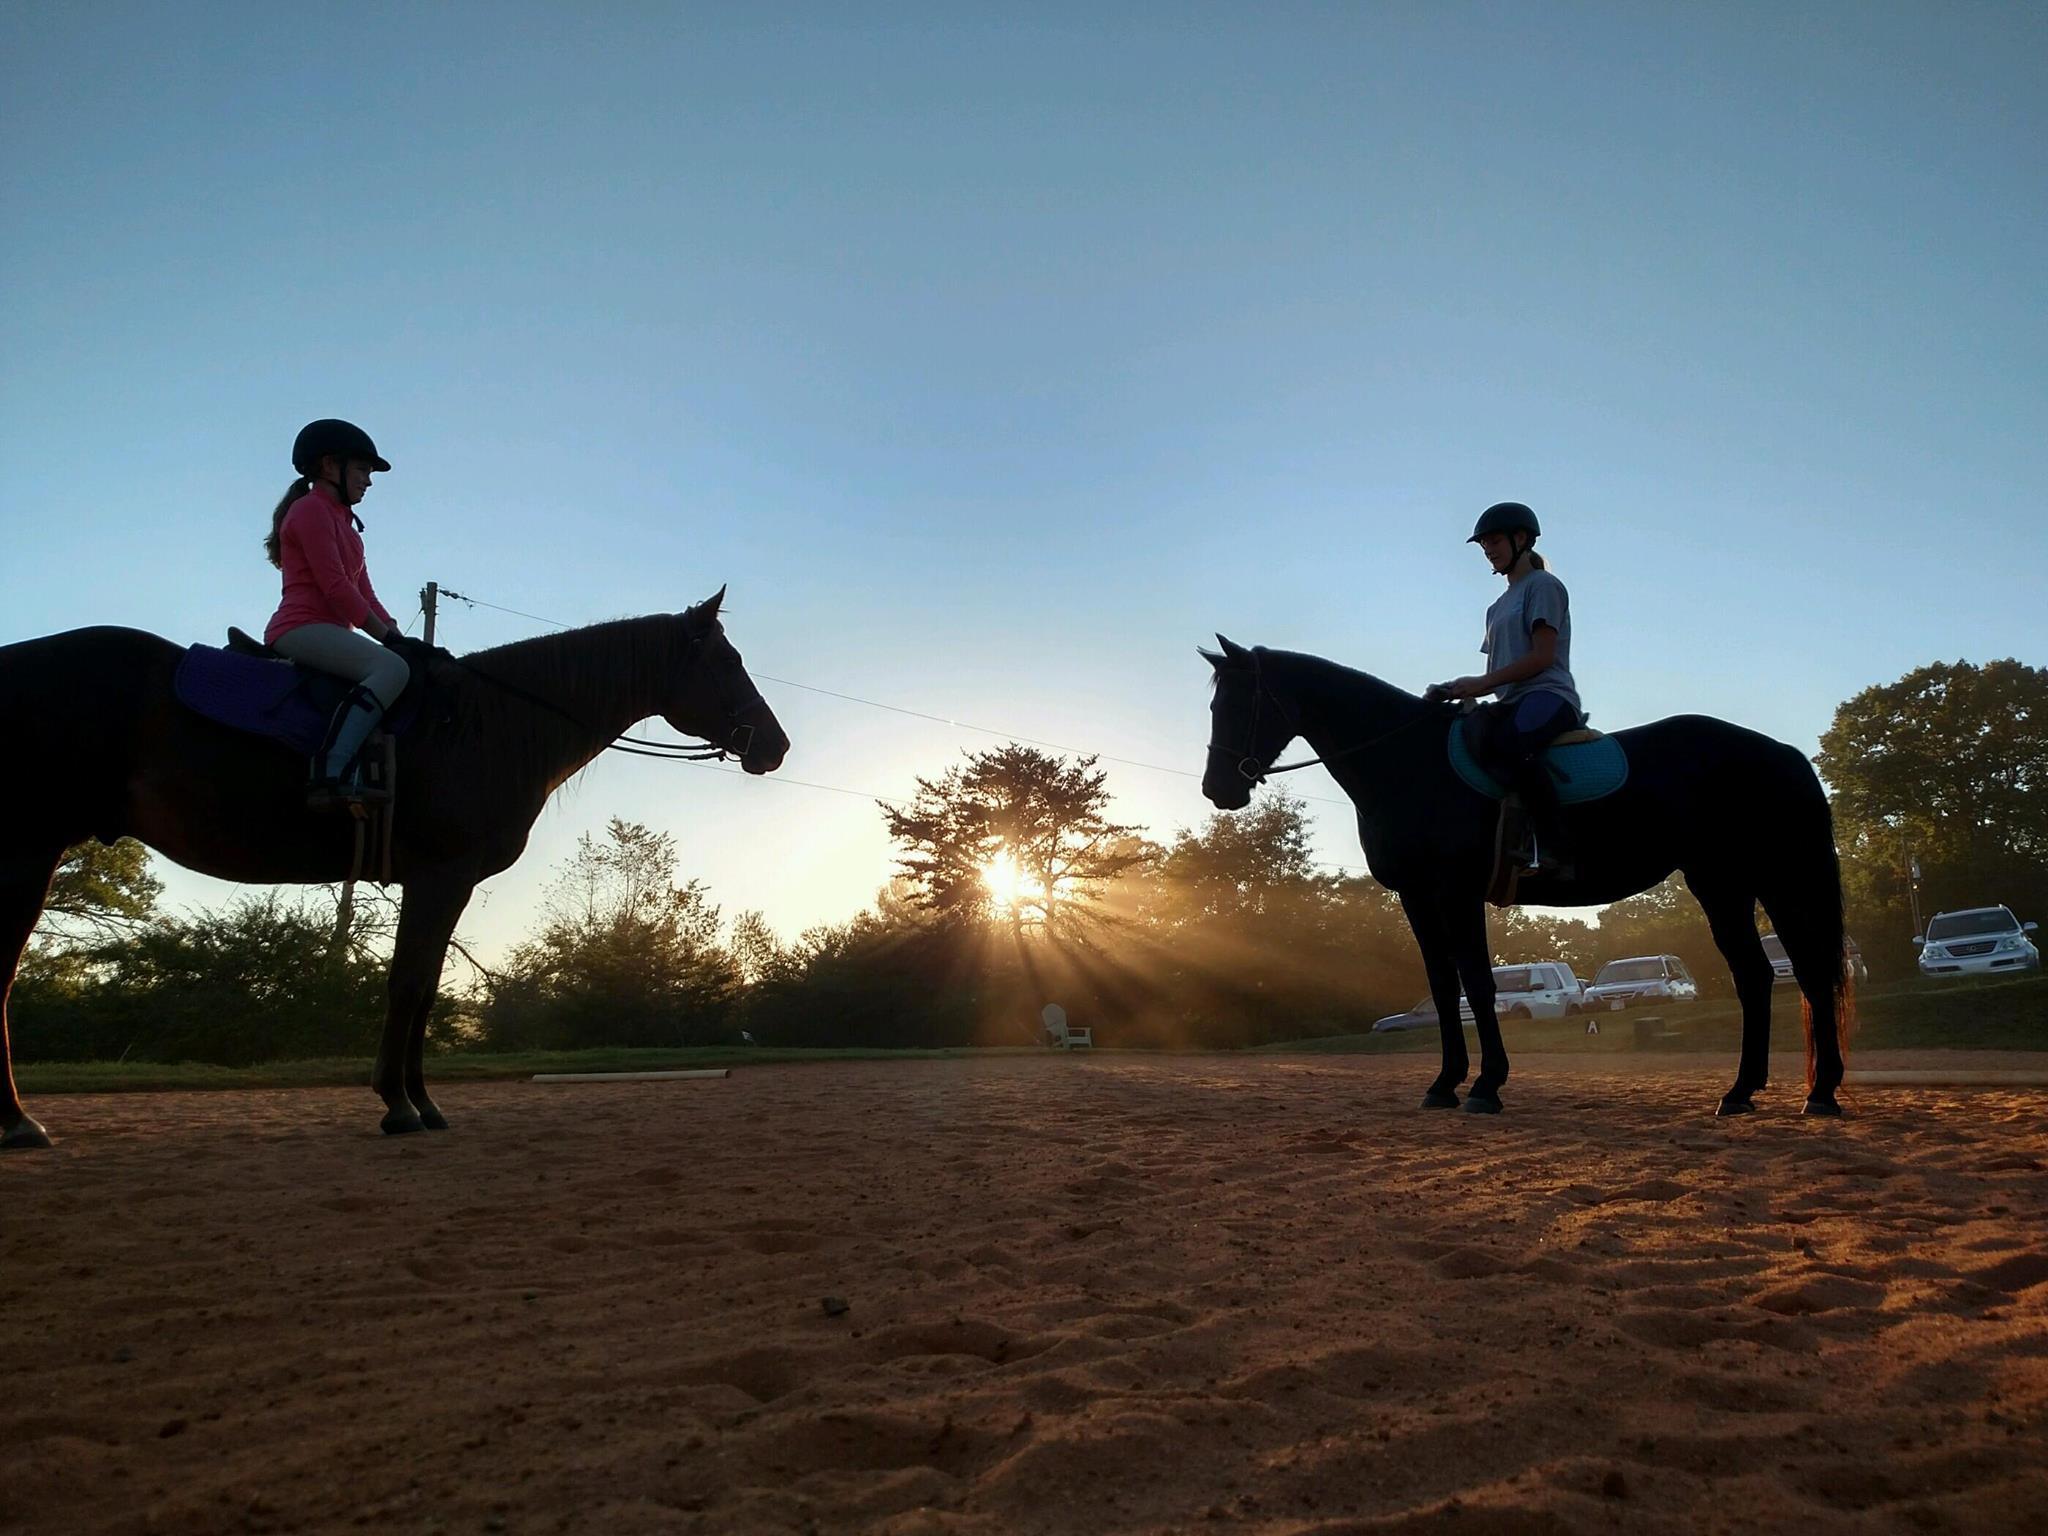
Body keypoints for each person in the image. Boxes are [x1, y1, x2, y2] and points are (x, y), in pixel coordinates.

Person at [262, 419, 423, 807]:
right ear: (330, 466)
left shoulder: (346, 525)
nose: (368, 481)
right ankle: (331, 768)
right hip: (300, 627)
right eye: (363, 470)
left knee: (398, 661)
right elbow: (336, 589)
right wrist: (387, 643)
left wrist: (396, 634)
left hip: (330, 629)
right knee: (391, 669)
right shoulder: (308, 512)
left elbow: (365, 591)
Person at [1426, 501, 1584, 873]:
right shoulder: (1496, 607)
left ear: (1522, 538)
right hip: (1511, 701)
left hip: (1548, 695)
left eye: (1495, 541)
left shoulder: (1543, 586)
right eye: (1485, 546)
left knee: (1510, 744)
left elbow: (1542, 657)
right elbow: (1498, 671)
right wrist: (1457, 690)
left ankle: (1553, 847)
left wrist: (1480, 685)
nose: (1489, 551)